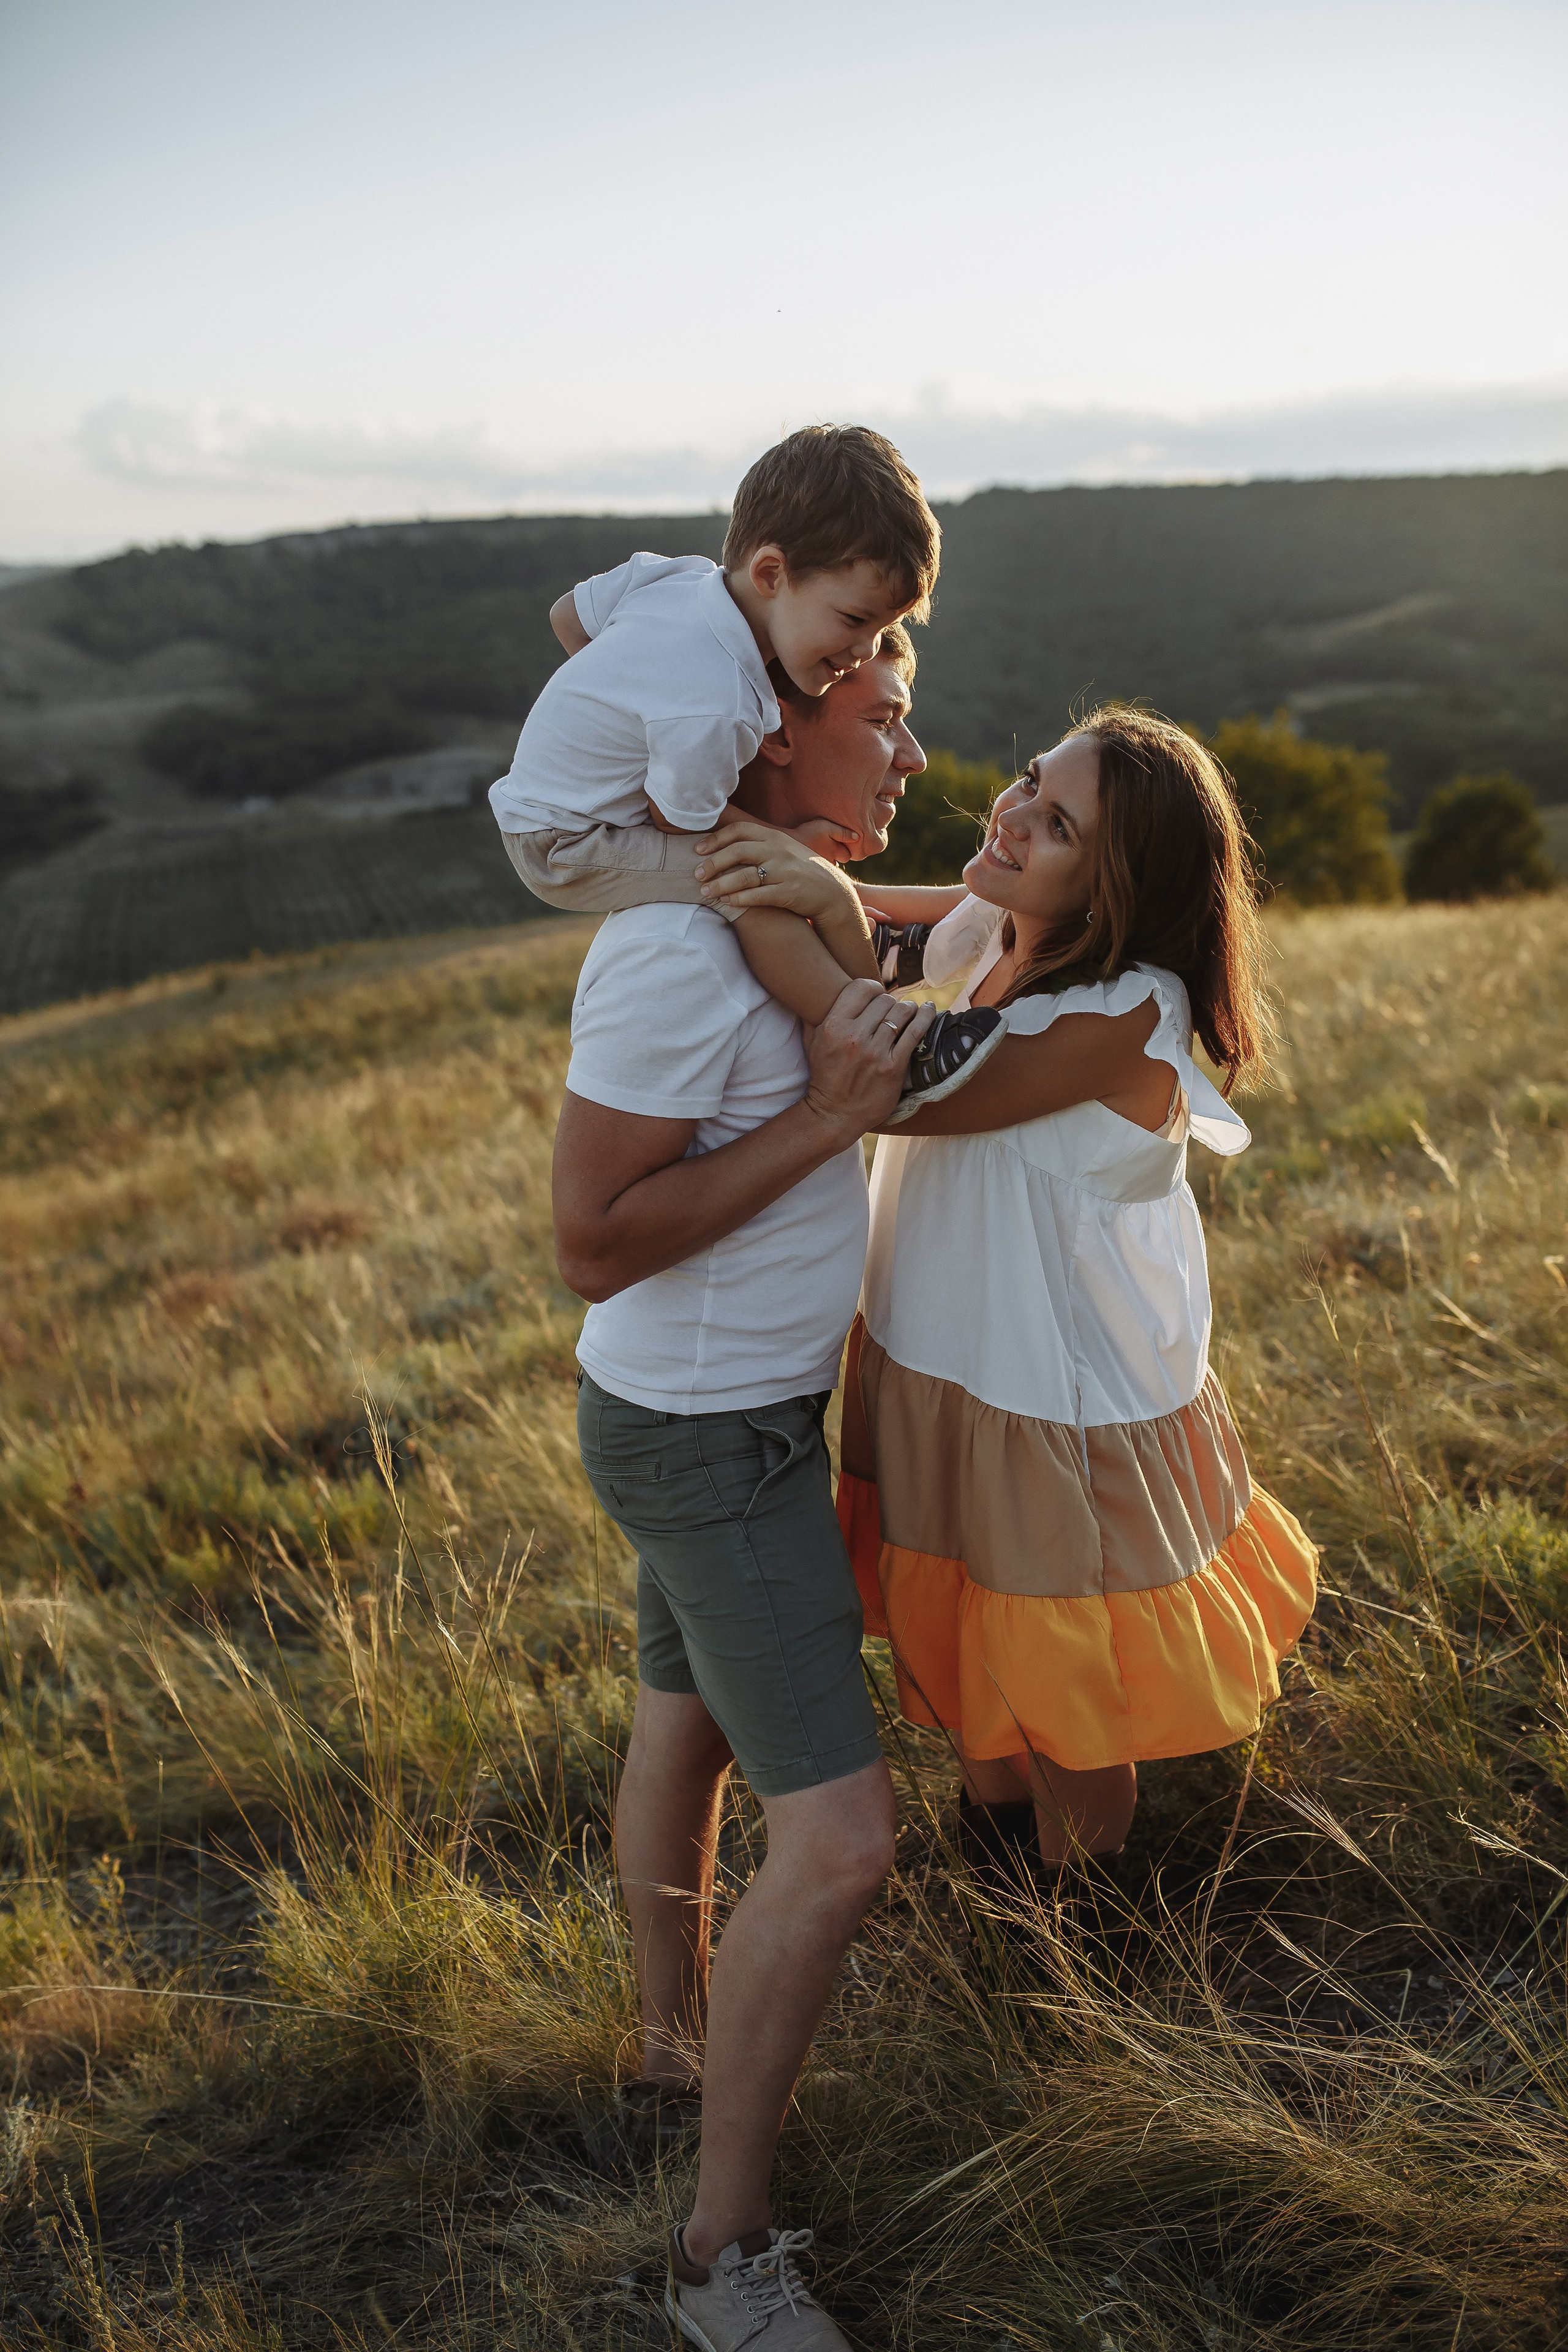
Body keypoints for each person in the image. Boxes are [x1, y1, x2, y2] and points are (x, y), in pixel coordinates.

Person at [701, 704, 1317, 1888]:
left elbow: (886, 1065)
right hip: (943, 1358)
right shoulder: (1003, 923)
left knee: (1060, 1678)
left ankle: (1090, 1924)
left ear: (1117, 885)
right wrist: (786, 870)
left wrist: (757, 883)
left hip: (1055, 1397)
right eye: (1032, 782)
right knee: (972, 1643)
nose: (1015, 814)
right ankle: (1000, 1887)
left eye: (1058, 822)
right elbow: (867, 938)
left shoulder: (1124, 1011)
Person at [552, 629, 934, 2350]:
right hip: (710, 1436)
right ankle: (725, 2261)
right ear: (771, 746)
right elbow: (590, 1244)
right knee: (844, 1842)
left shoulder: (769, 927)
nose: (912, 750)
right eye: (881, 713)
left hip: (710, 1415)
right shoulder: (672, 961)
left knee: (681, 1727)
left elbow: (923, 939)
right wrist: (828, 1117)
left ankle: (665, 2054)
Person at [491, 423, 1003, 1112]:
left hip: (546, 809)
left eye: (880, 628)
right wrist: (793, 855)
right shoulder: (719, 702)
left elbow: (567, 616)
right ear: (770, 574)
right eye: (854, 618)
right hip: (565, 846)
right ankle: (886, 1042)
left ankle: (877, 941)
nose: (864, 647)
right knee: (745, 883)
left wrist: (619, 702)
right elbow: (685, 821)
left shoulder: (673, 579)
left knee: (764, 867)